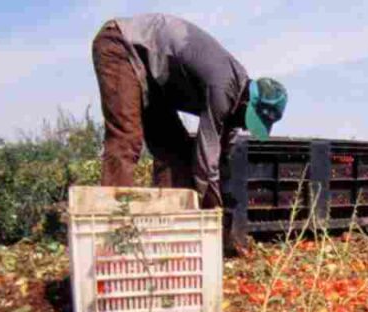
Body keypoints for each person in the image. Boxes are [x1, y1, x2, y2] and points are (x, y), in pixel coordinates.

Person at [92, 14, 287, 210]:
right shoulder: (224, 87)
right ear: (246, 104)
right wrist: (214, 211)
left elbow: (222, 152)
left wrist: (226, 192)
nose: (245, 126)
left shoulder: (235, 95)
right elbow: (205, 162)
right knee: (127, 137)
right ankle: (114, 224)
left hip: (154, 79)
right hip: (121, 45)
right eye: (248, 120)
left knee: (175, 151)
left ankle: (168, 222)